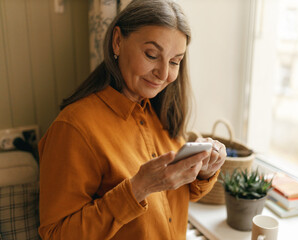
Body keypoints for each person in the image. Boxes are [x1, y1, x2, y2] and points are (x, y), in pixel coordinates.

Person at [38, 0, 226, 239]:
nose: (164, 74)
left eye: (174, 61)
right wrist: (137, 189)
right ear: (117, 41)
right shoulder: (74, 127)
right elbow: (56, 234)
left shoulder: (161, 113)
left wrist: (203, 172)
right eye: (151, 55)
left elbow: (174, 199)